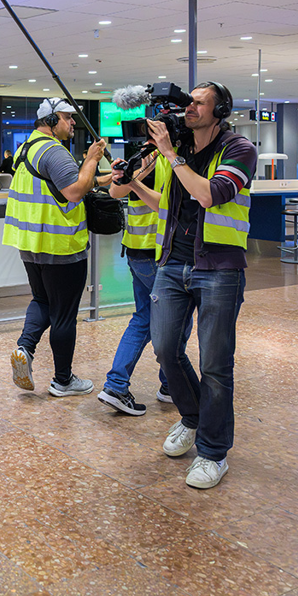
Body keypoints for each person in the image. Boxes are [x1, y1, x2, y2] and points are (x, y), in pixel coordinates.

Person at [118, 81, 256, 489]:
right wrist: (134, 182)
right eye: (187, 102)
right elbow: (171, 203)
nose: (188, 108)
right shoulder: (177, 152)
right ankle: (193, 418)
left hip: (219, 268)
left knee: (215, 363)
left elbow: (209, 195)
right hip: (172, 263)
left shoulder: (239, 149)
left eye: (198, 103)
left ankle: (214, 452)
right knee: (164, 349)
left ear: (220, 110)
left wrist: (171, 155)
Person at [4, 97, 109, 397]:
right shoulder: (55, 151)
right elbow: (74, 191)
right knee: (64, 313)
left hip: (32, 242)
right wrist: (91, 158)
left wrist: (101, 178)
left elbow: (64, 184)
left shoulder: (28, 148)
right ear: (51, 121)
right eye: (67, 117)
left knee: (42, 301)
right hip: (61, 245)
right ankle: (63, 380)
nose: (73, 122)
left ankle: (25, 349)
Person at [100, 152, 192, 415]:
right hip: (157, 253)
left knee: (143, 318)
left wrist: (131, 178)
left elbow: (115, 193)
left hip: (135, 250)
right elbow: (165, 205)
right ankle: (166, 384)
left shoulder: (139, 158)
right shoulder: (166, 162)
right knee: (178, 319)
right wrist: (135, 179)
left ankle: (124, 385)